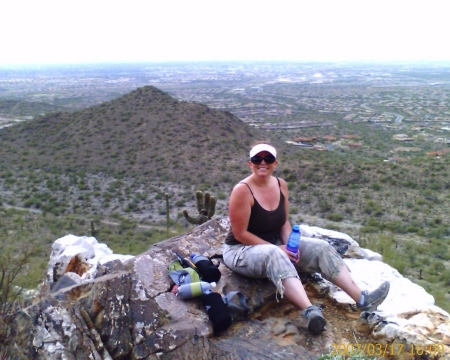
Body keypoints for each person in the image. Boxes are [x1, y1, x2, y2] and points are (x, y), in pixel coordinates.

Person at [223, 142, 390, 334]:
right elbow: (240, 234)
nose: (263, 163)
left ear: (275, 163)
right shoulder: (242, 190)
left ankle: (363, 300)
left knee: (320, 247)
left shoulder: (280, 185)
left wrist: (290, 247)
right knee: (273, 254)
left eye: (268, 159)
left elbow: (283, 222)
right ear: (250, 164)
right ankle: (310, 311)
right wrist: (278, 250)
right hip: (240, 250)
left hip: (273, 244)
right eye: (257, 159)